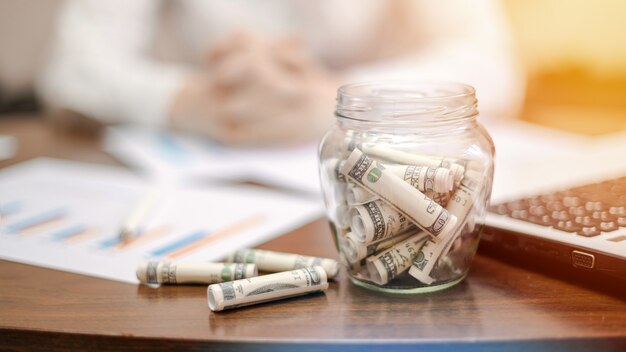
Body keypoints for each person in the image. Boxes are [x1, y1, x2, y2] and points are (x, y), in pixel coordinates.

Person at [37, 0, 525, 146]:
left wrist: (334, 100)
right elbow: (71, 69)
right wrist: (187, 101)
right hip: (206, 168)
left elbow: (493, 63)